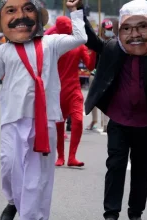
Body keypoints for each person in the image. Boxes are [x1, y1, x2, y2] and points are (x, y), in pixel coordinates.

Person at [0, 0, 87, 219]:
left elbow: (81, 38)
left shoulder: (52, 43)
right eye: (12, 11)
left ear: (37, 16)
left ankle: (32, 216)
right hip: (13, 117)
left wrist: (75, 10)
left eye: (28, 10)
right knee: (8, 167)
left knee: (37, 178)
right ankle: (12, 201)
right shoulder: (3, 51)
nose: (20, 16)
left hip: (45, 120)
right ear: (3, 21)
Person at [83, 0, 147, 219]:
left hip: (146, 124)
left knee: (141, 171)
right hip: (119, 121)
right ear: (119, 30)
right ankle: (111, 213)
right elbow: (91, 40)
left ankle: (135, 213)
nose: (135, 34)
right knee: (115, 166)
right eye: (127, 28)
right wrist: (79, 12)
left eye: (143, 27)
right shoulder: (114, 49)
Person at [45, 16, 95, 167]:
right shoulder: (52, 46)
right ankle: (60, 156)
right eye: (63, 25)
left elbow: (90, 66)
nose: (67, 26)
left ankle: (72, 156)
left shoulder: (78, 45)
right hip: (57, 91)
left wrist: (93, 51)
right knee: (59, 126)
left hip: (74, 89)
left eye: (68, 24)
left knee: (78, 120)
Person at [86, 18, 114, 132]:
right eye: (107, 29)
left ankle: (106, 124)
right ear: (102, 30)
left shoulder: (114, 43)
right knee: (93, 98)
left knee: (107, 99)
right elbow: (91, 64)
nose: (109, 31)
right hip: (96, 73)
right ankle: (94, 120)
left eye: (111, 29)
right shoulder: (97, 42)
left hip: (108, 75)